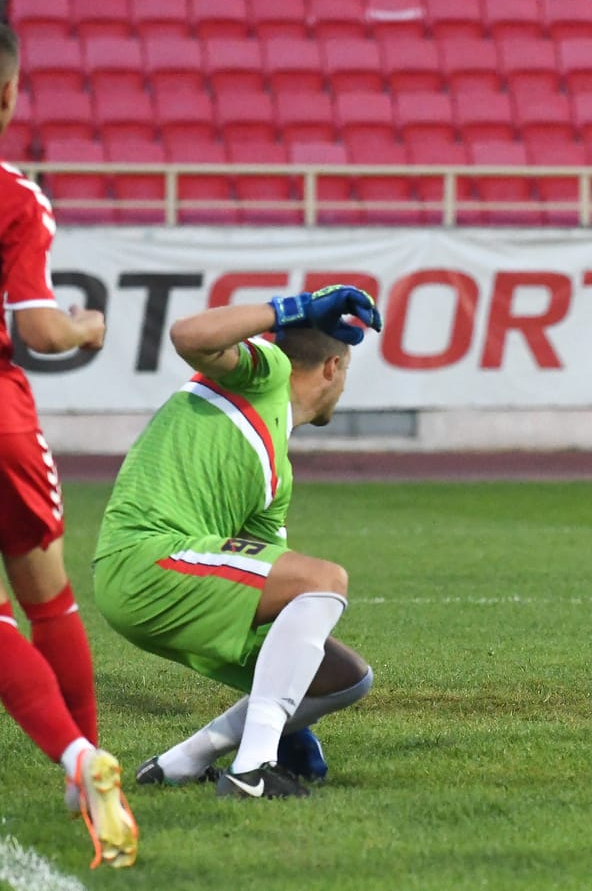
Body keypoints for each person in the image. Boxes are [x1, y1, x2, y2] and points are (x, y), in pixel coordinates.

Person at [93, 285, 383, 799]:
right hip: (145, 559)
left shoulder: (277, 473)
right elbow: (188, 334)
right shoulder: (266, 370)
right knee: (326, 579)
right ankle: (252, 770)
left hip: (167, 580)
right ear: (333, 367)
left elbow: (281, 590)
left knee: (343, 676)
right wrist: (291, 309)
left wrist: (292, 709)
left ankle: (182, 762)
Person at [0, 21, 139, 870]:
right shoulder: (17, 196)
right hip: (6, 420)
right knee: (47, 600)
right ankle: (88, 771)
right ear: (10, 94)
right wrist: (88, 326)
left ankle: (78, 757)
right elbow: (43, 330)